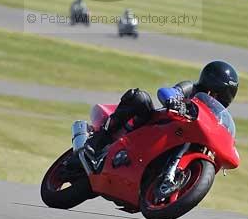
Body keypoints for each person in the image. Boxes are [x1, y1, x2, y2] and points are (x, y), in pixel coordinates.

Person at [88, 60, 239, 160]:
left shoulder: (218, 115)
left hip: (183, 140)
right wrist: (173, 100)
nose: (217, 97)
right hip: (158, 126)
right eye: (217, 93)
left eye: (223, 96)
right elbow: (168, 92)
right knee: (140, 98)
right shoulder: (191, 88)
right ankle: (99, 140)